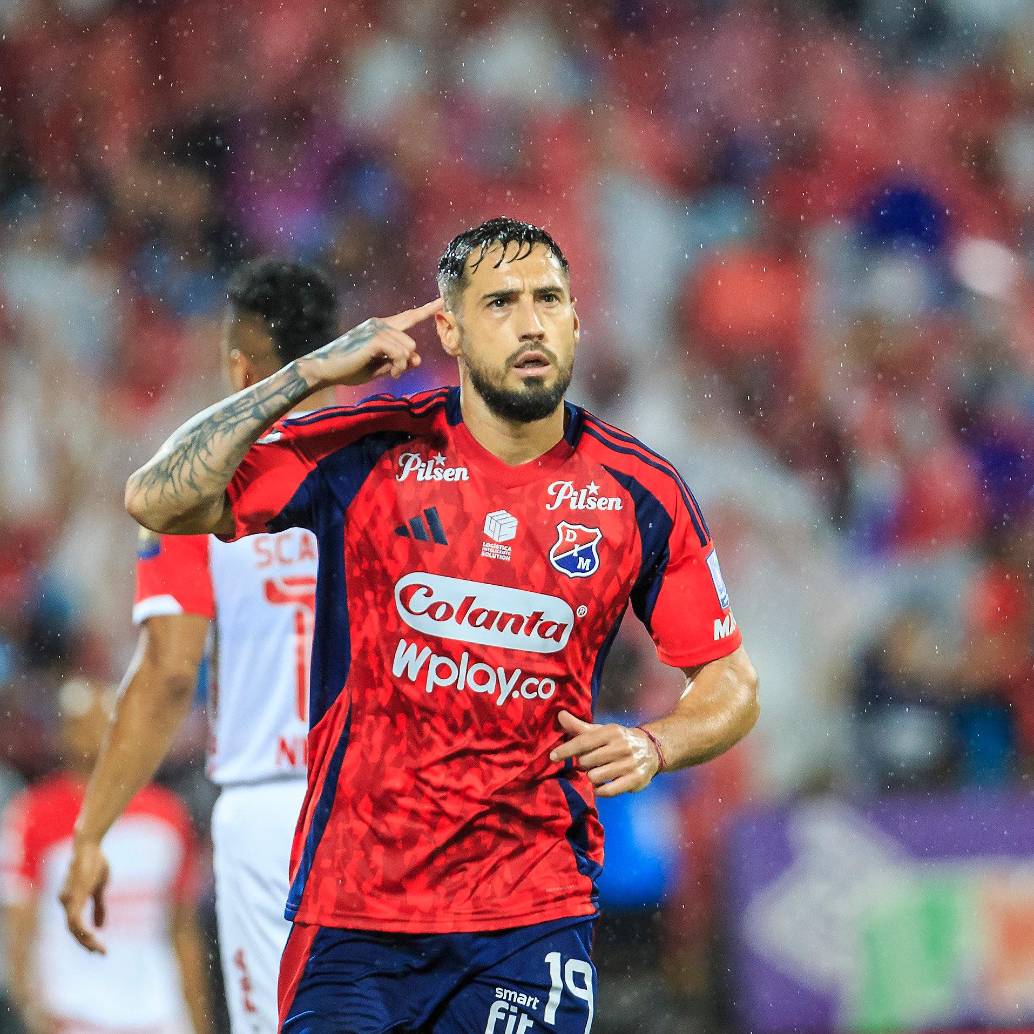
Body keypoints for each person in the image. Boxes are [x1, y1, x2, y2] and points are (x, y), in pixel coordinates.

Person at [123, 216, 760, 1034]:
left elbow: (730, 680)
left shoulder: (640, 491)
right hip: (352, 916)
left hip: (529, 916)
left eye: (548, 300)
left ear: (575, 320)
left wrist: (655, 743)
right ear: (450, 331)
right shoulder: (372, 452)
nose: (530, 323)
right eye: (500, 303)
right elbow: (157, 499)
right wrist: (306, 373)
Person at [58, 258, 340, 1034]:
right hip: (390, 801)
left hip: (272, 806)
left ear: (239, 365)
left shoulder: (199, 487)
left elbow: (169, 671)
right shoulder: (395, 464)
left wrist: (91, 832)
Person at [1, 678, 210, 1034]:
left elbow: (182, 928)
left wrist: (197, 1016)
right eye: (83, 721)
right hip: (73, 1014)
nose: (97, 731)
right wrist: (32, 1008)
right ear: (63, 733)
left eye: (108, 717)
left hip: (158, 1012)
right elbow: (20, 924)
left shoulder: (167, 814)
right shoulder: (32, 815)